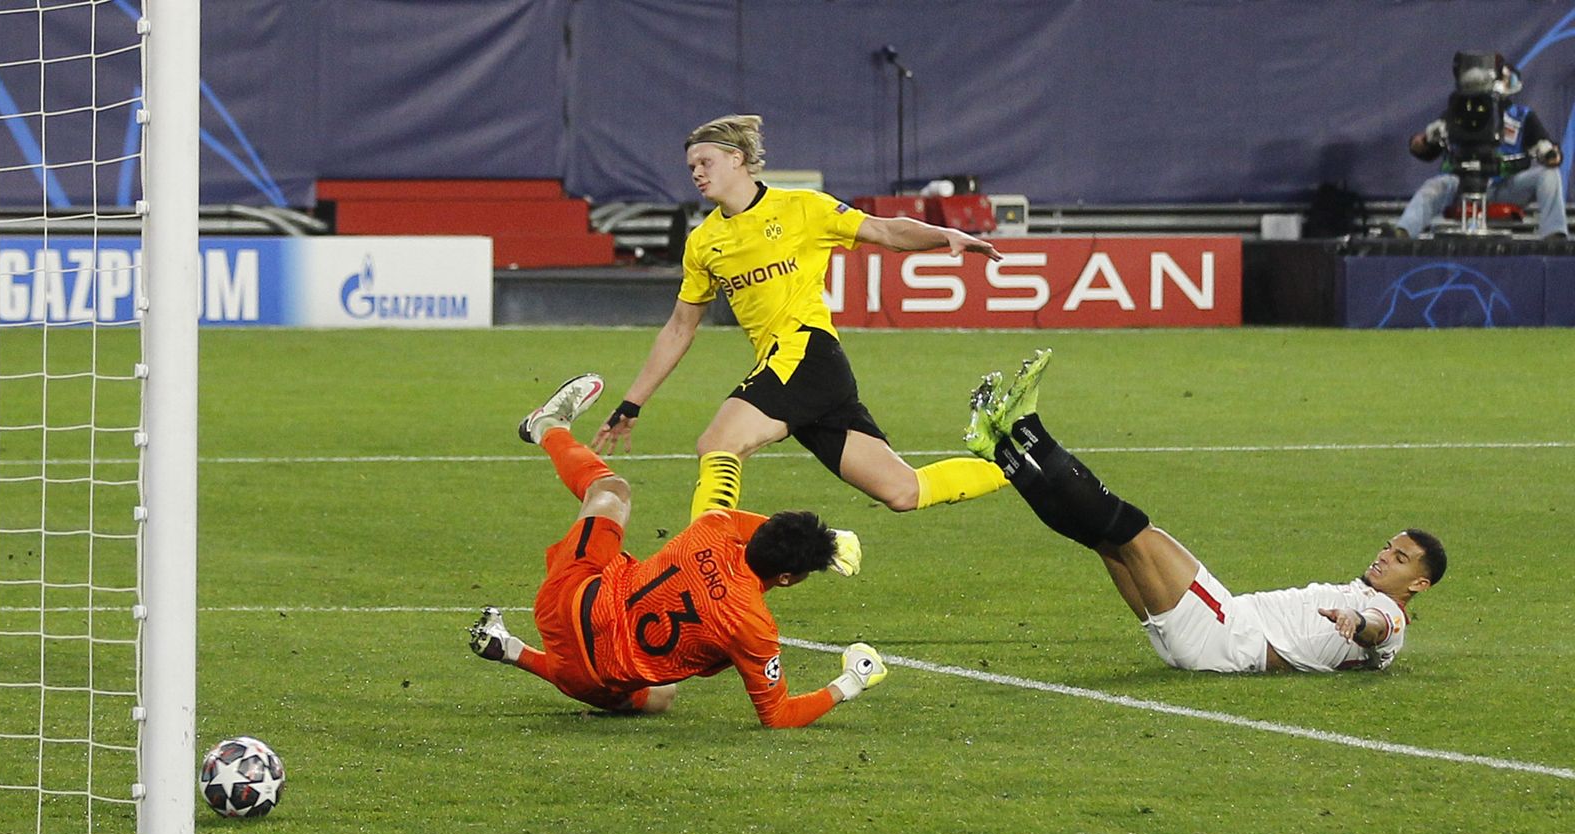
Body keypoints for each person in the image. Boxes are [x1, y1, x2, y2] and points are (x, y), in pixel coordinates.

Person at [591, 113, 1010, 518]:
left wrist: (945, 235)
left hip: (805, 352)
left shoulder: (801, 208)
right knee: (903, 490)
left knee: (718, 444)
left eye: (705, 162)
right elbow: (681, 328)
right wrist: (633, 402)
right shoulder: (703, 242)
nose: (697, 173)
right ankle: (1020, 468)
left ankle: (707, 558)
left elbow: (885, 231)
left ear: (737, 158)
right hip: (798, 371)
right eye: (691, 167)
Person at [962, 350, 1448, 673]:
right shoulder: (1365, 591)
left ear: (1419, 585)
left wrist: (1355, 622)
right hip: (1215, 639)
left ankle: (1029, 428)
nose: (1386, 556)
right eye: (1390, 546)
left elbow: (1379, 629)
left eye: (1401, 559)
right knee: (1104, 542)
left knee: (1132, 528)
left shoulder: (1387, 613)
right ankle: (1001, 450)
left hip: (1229, 634)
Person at [470, 372, 888, 726]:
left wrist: (827, 539)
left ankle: (549, 430)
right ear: (785, 579)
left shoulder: (714, 527)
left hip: (567, 600)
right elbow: (777, 715)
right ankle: (547, 424)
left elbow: (754, 525)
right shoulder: (752, 625)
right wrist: (851, 680)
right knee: (658, 694)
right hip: (588, 678)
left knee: (611, 492)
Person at [1394, 54, 1567, 239]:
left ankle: (1555, 235)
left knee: (1549, 175)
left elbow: (1548, 151)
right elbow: (1425, 148)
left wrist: (1549, 153)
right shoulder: (1458, 112)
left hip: (1505, 186)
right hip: (1461, 183)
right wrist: (1424, 141)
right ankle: (1403, 232)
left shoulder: (1523, 116)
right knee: (1435, 186)